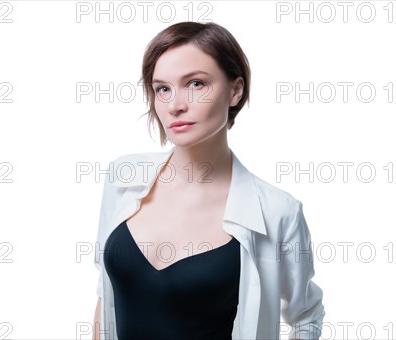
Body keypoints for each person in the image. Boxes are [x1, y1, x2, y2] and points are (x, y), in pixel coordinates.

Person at [93, 21, 325, 340]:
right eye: (163, 88)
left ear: (235, 90)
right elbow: (105, 295)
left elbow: (306, 315)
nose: (176, 104)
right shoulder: (123, 178)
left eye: (196, 84)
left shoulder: (277, 212)